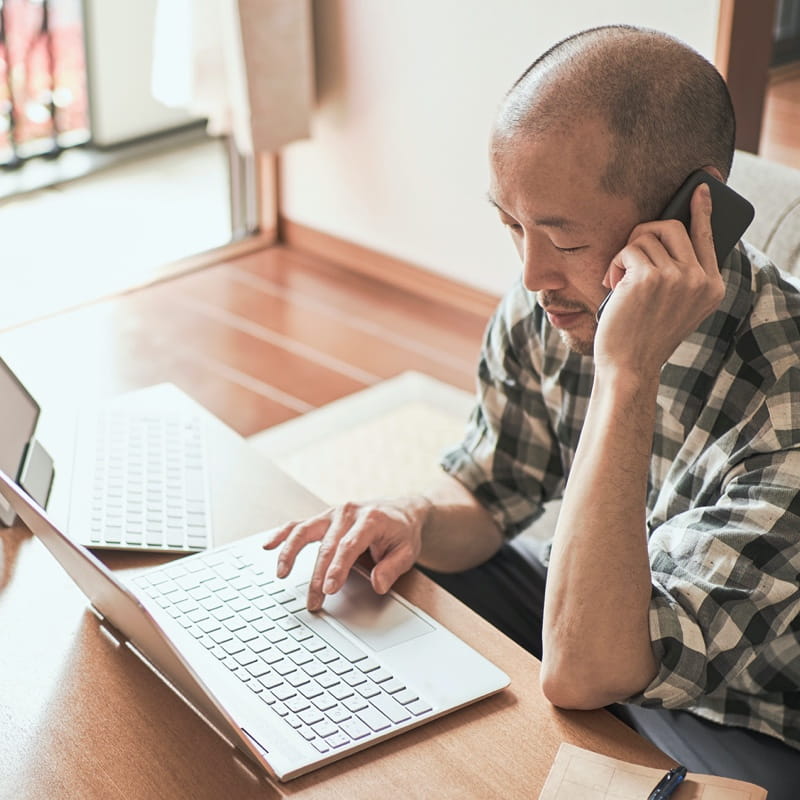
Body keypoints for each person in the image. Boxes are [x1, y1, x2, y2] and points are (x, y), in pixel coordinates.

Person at [264, 25, 800, 796]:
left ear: (693, 213)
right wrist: (412, 515)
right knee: (383, 587)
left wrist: (626, 372)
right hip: (592, 628)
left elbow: (588, 672)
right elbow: (490, 487)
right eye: (513, 226)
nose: (532, 274)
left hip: (741, 718)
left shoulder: (786, 402)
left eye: (562, 239)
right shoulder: (555, 301)